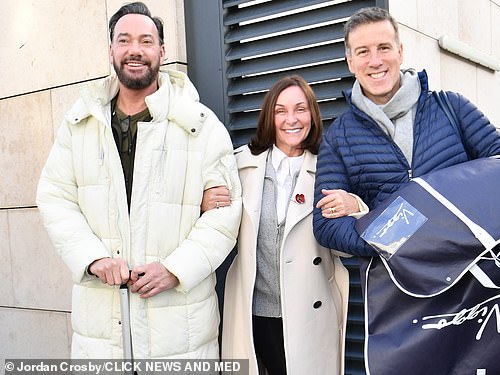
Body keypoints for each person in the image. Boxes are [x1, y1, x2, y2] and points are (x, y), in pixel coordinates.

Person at [312, 6, 500, 375]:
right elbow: (326, 225)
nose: (375, 60)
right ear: (349, 60)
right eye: (363, 51)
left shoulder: (450, 107)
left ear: (400, 51)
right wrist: (395, 238)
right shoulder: (339, 137)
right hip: (402, 294)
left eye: (383, 47)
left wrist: (449, 225)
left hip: (473, 284)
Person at [36, 2, 241, 359]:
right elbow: (55, 198)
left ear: (162, 51)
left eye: (146, 41)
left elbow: (224, 215)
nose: (135, 50)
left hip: (180, 331)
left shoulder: (201, 125)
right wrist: (93, 258)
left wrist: (175, 270)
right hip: (101, 329)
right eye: (124, 40)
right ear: (111, 50)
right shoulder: (79, 125)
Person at [214, 75, 349, 375]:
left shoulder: (329, 166)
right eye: (281, 110)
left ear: (312, 115)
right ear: (269, 117)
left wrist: (354, 206)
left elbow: (350, 245)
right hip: (255, 309)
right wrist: (207, 199)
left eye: (300, 109)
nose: (291, 119)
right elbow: (213, 219)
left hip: (309, 310)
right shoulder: (241, 165)